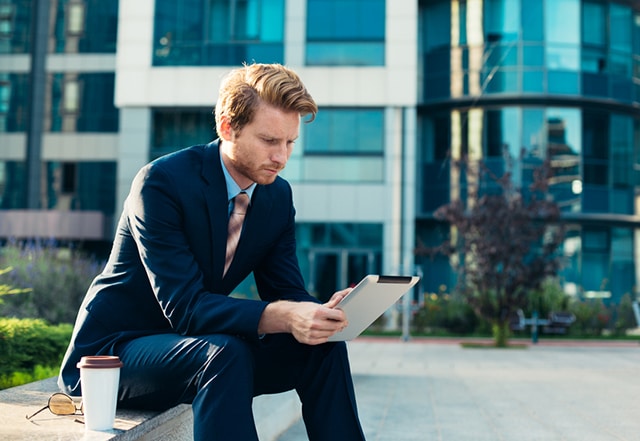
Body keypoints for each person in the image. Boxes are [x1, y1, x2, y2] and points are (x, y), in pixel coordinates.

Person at [58, 63, 366, 441]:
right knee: (223, 354)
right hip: (116, 353)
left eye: (289, 143)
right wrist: (284, 315)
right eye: (270, 141)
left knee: (323, 348)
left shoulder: (276, 196)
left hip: (200, 346)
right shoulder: (161, 183)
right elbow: (185, 307)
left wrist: (321, 314)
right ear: (226, 127)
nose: (282, 157)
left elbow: (285, 291)